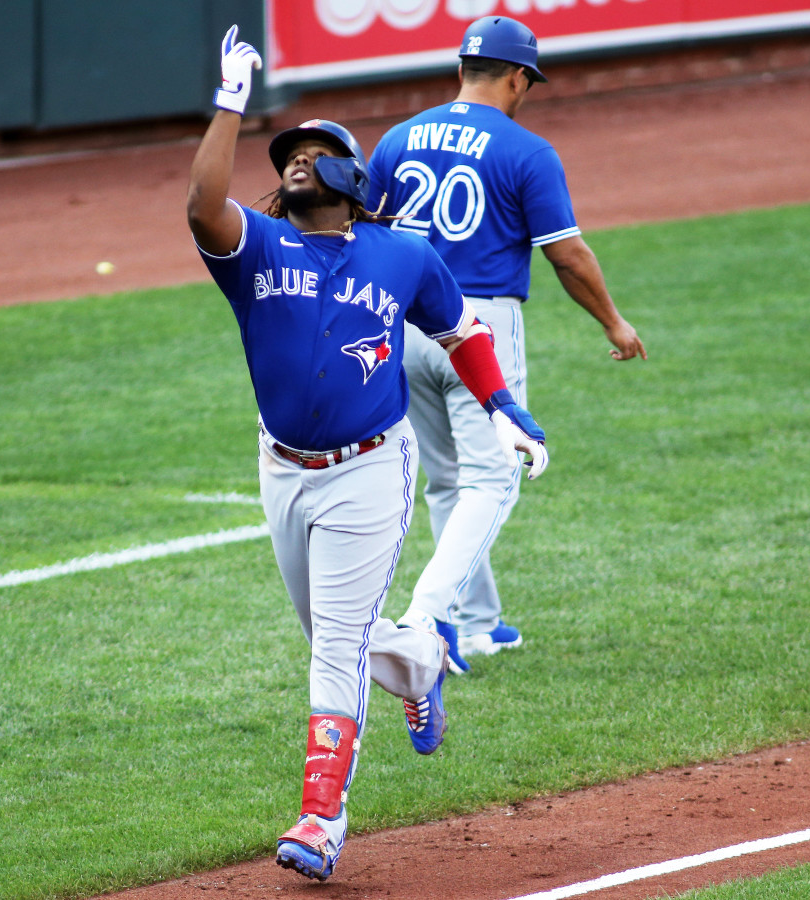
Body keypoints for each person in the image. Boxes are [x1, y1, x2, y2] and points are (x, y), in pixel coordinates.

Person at [187, 26, 550, 883]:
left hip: (370, 469)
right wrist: (230, 102)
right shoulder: (258, 250)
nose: (297, 163)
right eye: (288, 156)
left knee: (332, 647)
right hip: (282, 468)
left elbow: (462, 331)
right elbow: (203, 206)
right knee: (331, 635)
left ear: (355, 175)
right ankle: (421, 663)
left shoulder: (403, 254)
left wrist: (503, 410)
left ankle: (322, 817)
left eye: (316, 152)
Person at [367, 15, 647, 674]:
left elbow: (366, 239)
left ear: (461, 69)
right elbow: (568, 256)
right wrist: (612, 321)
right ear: (519, 77)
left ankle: (480, 624)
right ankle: (428, 617)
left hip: (401, 324)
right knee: (493, 481)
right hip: (478, 328)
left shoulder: (398, 138)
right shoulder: (526, 151)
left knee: (444, 481)